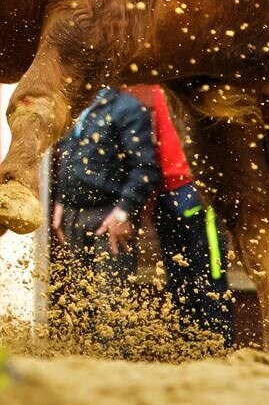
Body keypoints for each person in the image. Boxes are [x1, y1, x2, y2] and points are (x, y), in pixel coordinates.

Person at [52, 87, 160, 336]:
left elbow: (145, 168)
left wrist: (123, 213)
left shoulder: (127, 107)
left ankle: (112, 369)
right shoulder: (74, 103)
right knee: (80, 302)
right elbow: (68, 157)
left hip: (109, 216)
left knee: (111, 304)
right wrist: (61, 201)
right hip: (73, 215)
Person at [142, 87, 235, 348]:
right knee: (178, 280)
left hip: (196, 189)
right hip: (165, 194)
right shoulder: (158, 89)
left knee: (210, 275)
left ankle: (220, 346)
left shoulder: (196, 85)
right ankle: (187, 347)